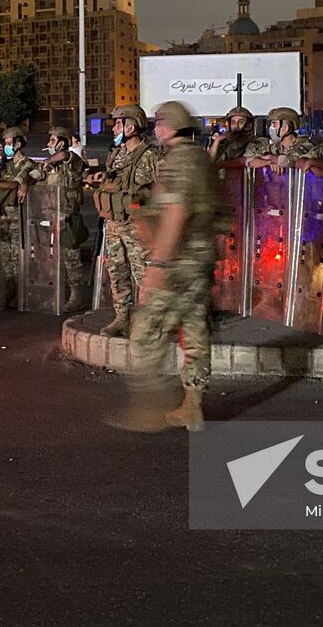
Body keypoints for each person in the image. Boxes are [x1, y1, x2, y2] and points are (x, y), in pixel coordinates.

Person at [108, 101, 219, 433]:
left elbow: (176, 212)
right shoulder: (200, 157)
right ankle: (192, 406)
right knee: (196, 332)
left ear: (170, 126)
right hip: (200, 258)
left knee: (145, 332)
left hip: (178, 261)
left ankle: (148, 408)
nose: (156, 129)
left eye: (159, 123)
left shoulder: (178, 161)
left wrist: (158, 263)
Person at [90, 105, 159, 337]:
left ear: (131, 126)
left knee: (143, 276)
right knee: (117, 274)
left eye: (118, 123)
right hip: (114, 225)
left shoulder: (150, 155)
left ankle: (150, 323)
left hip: (138, 226)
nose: (114, 128)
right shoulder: (118, 154)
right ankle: (122, 318)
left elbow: (164, 189)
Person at [41, 126, 89, 313]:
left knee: (72, 260)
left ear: (62, 142)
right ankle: (53, 294)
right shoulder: (52, 167)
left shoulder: (72, 159)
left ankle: (76, 296)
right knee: (50, 260)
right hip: (50, 218)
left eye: (52, 141)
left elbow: (64, 156)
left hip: (68, 218)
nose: (48, 144)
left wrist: (48, 160)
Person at [0, 126, 43, 306]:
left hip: (17, 211)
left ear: (18, 143)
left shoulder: (26, 163)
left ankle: (22, 290)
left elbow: (15, 184)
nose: (5, 146)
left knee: (17, 252)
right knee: (5, 252)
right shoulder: (6, 164)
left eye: (8, 143)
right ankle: (9, 288)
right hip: (3, 210)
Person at [244, 107, 318, 171]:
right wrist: (267, 163)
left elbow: (294, 160)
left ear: (286, 127)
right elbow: (249, 159)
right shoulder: (273, 147)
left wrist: (272, 158)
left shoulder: (306, 145)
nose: (271, 128)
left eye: (275, 124)